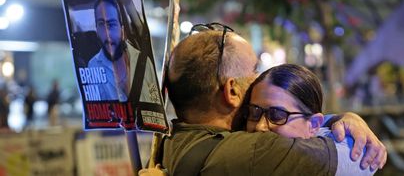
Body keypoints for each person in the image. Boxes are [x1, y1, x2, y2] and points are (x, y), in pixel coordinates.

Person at [145, 23, 386, 175]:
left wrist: (342, 118)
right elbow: (359, 160)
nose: (258, 78)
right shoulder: (256, 151)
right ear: (232, 91)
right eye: (253, 70)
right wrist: (345, 125)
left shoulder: (174, 140)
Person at [243, 64, 379, 175]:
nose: (259, 126)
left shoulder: (346, 156)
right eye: (255, 112)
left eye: (277, 115)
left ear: (314, 125)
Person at [87, 0, 159, 103]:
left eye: (111, 25)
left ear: (122, 30)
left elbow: (155, 101)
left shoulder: (143, 62)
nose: (107, 34)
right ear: (96, 30)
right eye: (101, 24)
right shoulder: (93, 65)